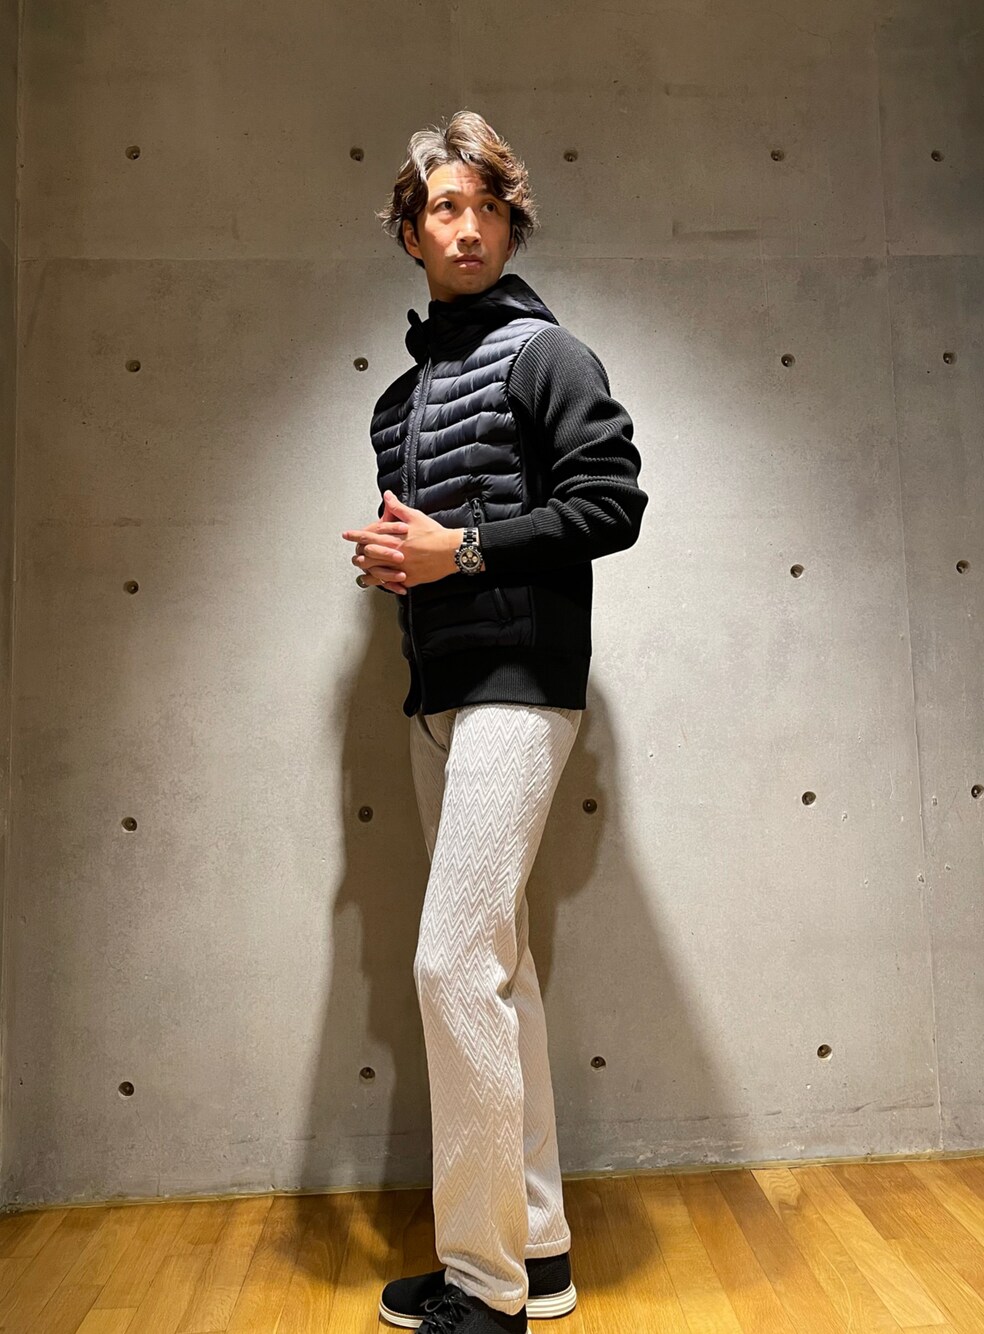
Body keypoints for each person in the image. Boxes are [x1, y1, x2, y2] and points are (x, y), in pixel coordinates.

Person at [341, 110, 649, 1334]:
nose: (465, 227)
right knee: (495, 973)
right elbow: (425, 549)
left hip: (522, 686)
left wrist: (458, 549)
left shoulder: (548, 354)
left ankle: (484, 1284)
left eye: (484, 207)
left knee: (450, 965)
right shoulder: (398, 401)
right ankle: (541, 1248)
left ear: (510, 224)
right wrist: (400, 564)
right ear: (410, 233)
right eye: (442, 208)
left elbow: (611, 504)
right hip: (438, 697)